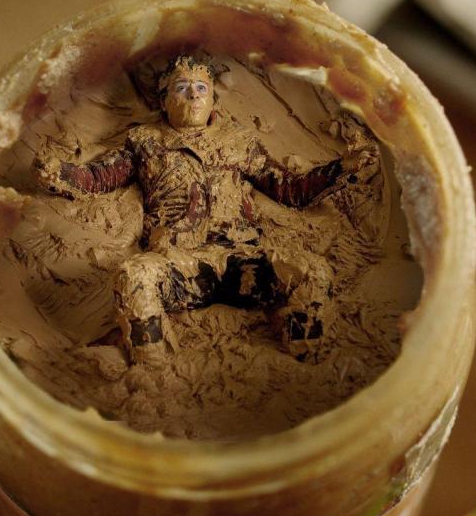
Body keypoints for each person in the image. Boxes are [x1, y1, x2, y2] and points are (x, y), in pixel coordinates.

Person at [33, 55, 379, 358]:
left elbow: (289, 188)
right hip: (181, 265)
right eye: (182, 87)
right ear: (164, 101)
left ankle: (304, 355)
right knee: (135, 276)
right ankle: (150, 368)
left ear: (213, 98)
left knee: (312, 271)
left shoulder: (239, 142)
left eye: (201, 87)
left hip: (243, 263)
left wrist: (342, 170)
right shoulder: (145, 141)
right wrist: (60, 174)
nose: (194, 94)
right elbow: (100, 176)